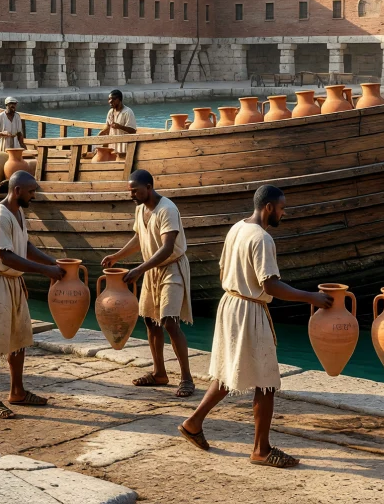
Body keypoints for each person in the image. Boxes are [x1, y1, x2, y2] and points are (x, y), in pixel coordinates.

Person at [179, 185, 331, 467]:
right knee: (266, 381)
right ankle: (261, 450)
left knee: (229, 371)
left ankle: (193, 422)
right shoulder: (262, 238)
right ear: (269, 208)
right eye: (282, 208)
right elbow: (270, 284)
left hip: (230, 303)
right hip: (249, 308)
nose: (284, 214)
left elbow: (224, 269)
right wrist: (310, 297)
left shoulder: (237, 228)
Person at [0, 170, 65, 419]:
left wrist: (53, 262)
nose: (34, 196)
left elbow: (25, 246)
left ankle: (17, 391)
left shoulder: (18, 213)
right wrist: (45, 270)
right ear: (17, 190)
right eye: (31, 191)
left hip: (13, 280)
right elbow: (5, 255)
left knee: (19, 339)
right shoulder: (0, 216)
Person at [102, 170, 195, 397]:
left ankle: (187, 378)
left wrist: (139, 269)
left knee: (169, 322)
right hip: (152, 268)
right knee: (151, 322)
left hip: (171, 267)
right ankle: (159, 373)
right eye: (130, 191)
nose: (132, 194)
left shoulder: (167, 210)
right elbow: (139, 237)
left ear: (149, 187)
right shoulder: (141, 209)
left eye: (135, 190)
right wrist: (117, 256)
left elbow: (167, 248)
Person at [98, 89, 137, 156]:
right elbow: (107, 127)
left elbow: (133, 131)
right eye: (109, 99)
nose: (110, 101)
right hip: (112, 146)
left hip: (123, 148)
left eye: (112, 99)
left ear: (119, 99)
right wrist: (100, 135)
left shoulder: (128, 112)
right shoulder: (110, 112)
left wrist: (119, 126)